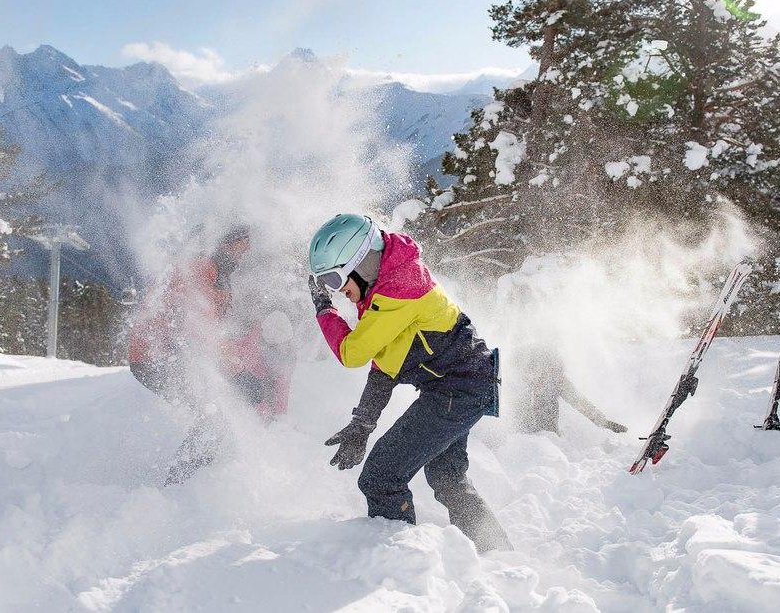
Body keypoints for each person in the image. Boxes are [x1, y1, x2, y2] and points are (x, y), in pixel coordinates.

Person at [307, 213, 512, 553]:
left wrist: (324, 310)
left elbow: (352, 352)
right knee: (448, 480)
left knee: (380, 478)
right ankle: (498, 554)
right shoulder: (391, 284)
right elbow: (385, 364)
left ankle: (398, 566)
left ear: (361, 262)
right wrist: (362, 423)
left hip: (457, 391)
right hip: (462, 386)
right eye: (326, 283)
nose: (336, 289)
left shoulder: (399, 290)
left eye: (334, 278)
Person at [128, 224, 289, 484]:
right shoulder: (199, 270)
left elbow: (217, 331)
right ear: (223, 244)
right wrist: (239, 376)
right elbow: (204, 331)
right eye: (240, 246)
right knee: (216, 418)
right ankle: (179, 485)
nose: (244, 254)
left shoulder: (216, 275)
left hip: (174, 355)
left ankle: (201, 477)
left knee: (220, 414)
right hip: (155, 358)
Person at [517, 345, 627, 435]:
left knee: (548, 404)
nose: (541, 378)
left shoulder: (557, 380)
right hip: (520, 433)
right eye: (535, 372)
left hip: (545, 436)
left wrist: (604, 422)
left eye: (551, 371)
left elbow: (578, 401)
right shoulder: (517, 383)